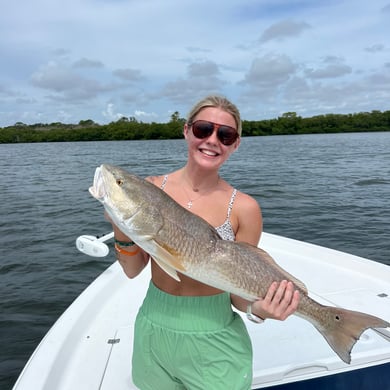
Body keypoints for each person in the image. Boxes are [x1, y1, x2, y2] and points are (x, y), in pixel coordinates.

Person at [108, 95, 300, 390]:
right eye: (203, 129)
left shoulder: (245, 208)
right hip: (152, 327)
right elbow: (133, 269)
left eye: (225, 135)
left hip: (215, 338)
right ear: (186, 130)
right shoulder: (149, 188)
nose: (213, 140)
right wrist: (120, 223)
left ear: (235, 144)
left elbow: (238, 296)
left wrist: (261, 310)